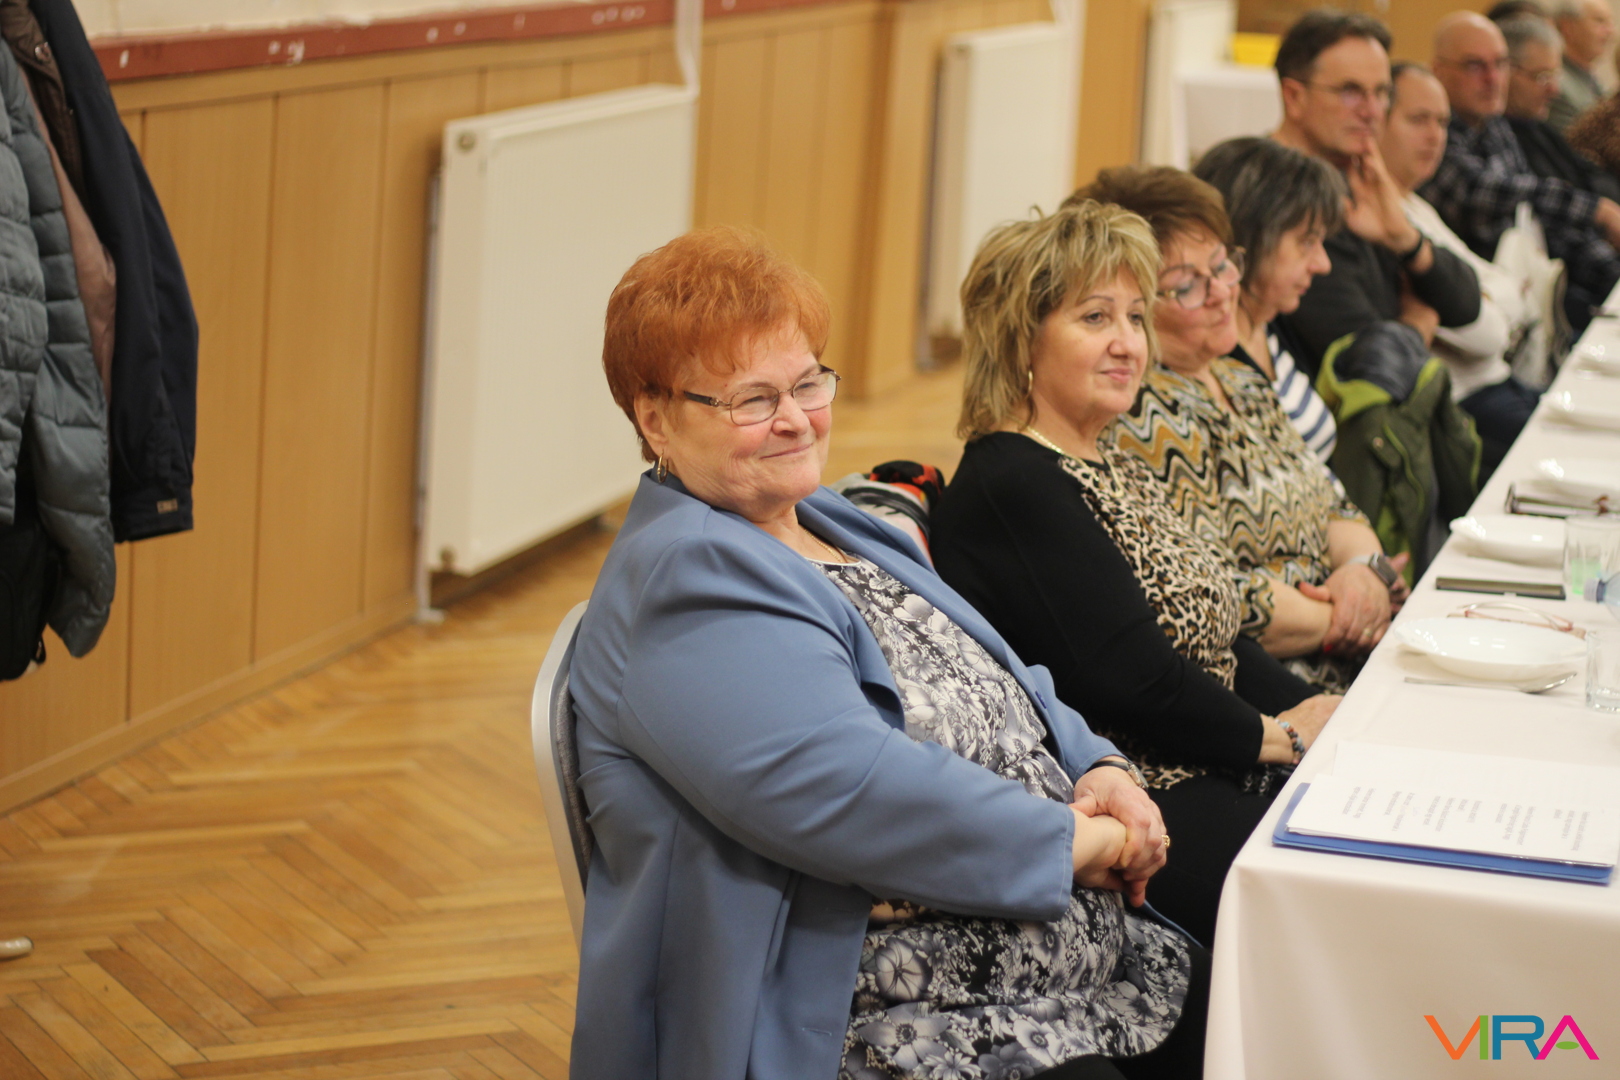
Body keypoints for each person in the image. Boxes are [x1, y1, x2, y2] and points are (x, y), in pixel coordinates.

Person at [571, 225, 1205, 1080]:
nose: (795, 419)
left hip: (1059, 970)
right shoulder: (685, 579)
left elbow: (997, 668)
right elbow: (855, 792)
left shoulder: (825, 517)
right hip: (879, 1022)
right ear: (656, 420)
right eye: (752, 400)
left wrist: (1102, 766)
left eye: (807, 383)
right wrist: (1075, 843)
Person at [929, 199, 1339, 953]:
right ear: (1021, 339)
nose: (1127, 343)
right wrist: (1283, 736)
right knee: (1342, 883)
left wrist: (1317, 711)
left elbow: (1215, 634)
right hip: (1140, 796)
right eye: (1095, 318)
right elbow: (1136, 681)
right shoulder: (1014, 483)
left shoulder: (1107, 457)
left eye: (1135, 317)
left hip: (1206, 751)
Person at [1073, 166, 1405, 692]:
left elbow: (1334, 506)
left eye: (1223, 266)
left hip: (1349, 648)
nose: (1222, 292)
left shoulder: (1237, 378)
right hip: (1276, 686)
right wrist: (1347, 615)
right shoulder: (1140, 416)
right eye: (1187, 285)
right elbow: (1212, 595)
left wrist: (1365, 569)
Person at [1382, 61, 1544, 476]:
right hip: (1465, 406)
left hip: (1500, 382)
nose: (1435, 136)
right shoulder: (1388, 222)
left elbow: (1506, 289)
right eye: (1418, 120)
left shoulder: (1415, 203)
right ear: (1376, 124)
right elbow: (1488, 334)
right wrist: (1489, 298)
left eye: (1442, 122)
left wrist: (1487, 296)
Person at [1423, 10, 1620, 333]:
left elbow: (1539, 215)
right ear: (1438, 70)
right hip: (1484, 315)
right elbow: (1484, 192)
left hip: (1532, 296)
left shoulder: (1494, 124)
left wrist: (1609, 267)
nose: (1493, 78)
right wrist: (1598, 211)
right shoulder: (1436, 135)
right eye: (1475, 66)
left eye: (1500, 64)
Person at [1191, 137, 1345, 463]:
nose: (1323, 264)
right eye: (1307, 242)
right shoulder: (1204, 354)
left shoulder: (1276, 321)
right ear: (1249, 237)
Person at [1498, 14, 1620, 203]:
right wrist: (1599, 210)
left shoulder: (1539, 128)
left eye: (1555, 76)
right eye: (1542, 76)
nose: (1554, 90)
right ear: (1506, 72)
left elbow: (1591, 174)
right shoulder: (1503, 137)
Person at [1548, 0, 1614, 130]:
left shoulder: (1592, 79)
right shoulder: (1556, 85)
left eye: (1610, 23)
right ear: (1568, 27)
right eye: (1600, 21)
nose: (1610, 32)